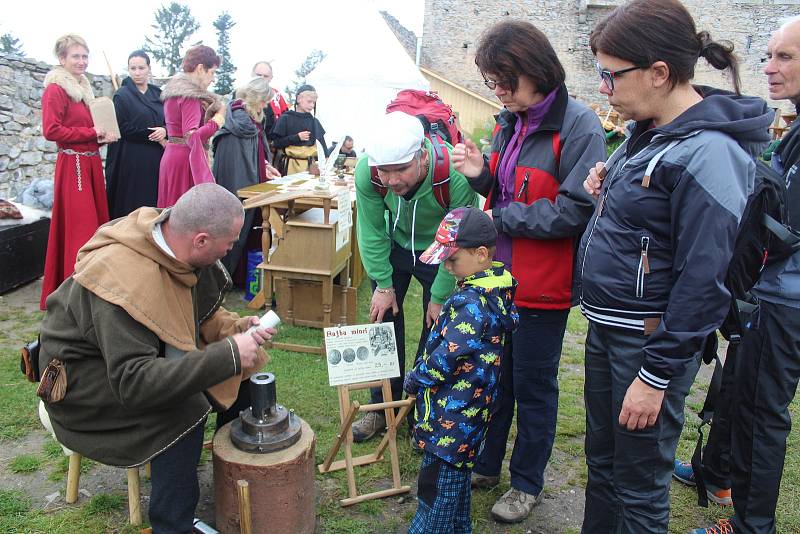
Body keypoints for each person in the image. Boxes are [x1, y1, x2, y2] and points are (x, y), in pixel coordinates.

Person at [578, 1, 773, 532]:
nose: (603, 88)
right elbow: (655, 228)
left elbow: (703, 281)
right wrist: (610, 187)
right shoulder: (651, 131)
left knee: (640, 486)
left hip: (646, 344)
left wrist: (655, 375)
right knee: (604, 467)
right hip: (610, 326)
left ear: (659, 73)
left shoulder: (711, 151)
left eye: (609, 74)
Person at [38, 183, 274, 533]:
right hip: (83, 389)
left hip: (127, 364)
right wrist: (226, 354)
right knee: (185, 406)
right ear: (201, 240)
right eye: (230, 241)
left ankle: (236, 480)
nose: (231, 249)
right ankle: (172, 524)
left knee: (241, 372)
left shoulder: (171, 244)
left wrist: (235, 329)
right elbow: (134, 383)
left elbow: (194, 313)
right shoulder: (121, 280)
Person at [451, 20, 606, 523]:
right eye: (492, 81)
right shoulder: (507, 121)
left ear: (536, 72)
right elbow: (510, 188)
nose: (498, 90)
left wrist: (501, 217)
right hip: (500, 280)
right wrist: (483, 175)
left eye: (504, 80)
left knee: (535, 388)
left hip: (544, 286)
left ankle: (526, 484)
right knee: (495, 379)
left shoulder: (579, 125)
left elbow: (574, 209)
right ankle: (489, 463)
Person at [689, 15, 800, 534]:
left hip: (785, 302)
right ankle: (717, 474)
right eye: (769, 55)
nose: (770, 68)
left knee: (762, 413)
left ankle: (751, 526)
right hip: (767, 295)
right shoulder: (796, 126)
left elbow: (783, 230)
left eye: (785, 57)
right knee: (735, 392)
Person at [351, 111, 478, 442]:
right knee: (383, 325)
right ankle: (382, 410)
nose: (391, 180)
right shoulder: (367, 172)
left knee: (435, 331)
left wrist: (439, 297)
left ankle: (421, 412)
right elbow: (371, 229)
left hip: (439, 251)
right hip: (395, 243)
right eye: (385, 170)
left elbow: (456, 240)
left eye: (401, 169)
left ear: (422, 156)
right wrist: (382, 283)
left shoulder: (455, 176)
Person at [404, 207, 519, 534]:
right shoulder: (495, 291)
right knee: (454, 490)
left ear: (481, 254)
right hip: (470, 418)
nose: (446, 265)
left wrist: (415, 378)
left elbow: (444, 360)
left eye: (452, 259)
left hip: (451, 424)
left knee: (435, 496)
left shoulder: (472, 302)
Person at [40, 34, 118, 310]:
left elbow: (85, 129)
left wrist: (99, 137)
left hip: (91, 163)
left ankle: (94, 284)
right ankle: (74, 290)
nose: (82, 61)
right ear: (62, 59)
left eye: (85, 56)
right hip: (73, 165)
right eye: (76, 56)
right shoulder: (56, 89)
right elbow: (51, 130)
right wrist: (90, 132)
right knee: (79, 228)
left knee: (95, 225)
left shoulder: (83, 90)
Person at [212, 77, 280, 282]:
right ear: (255, 98)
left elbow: (254, 153)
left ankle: (241, 277)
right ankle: (224, 277)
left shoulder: (248, 121)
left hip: (249, 179)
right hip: (236, 184)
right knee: (235, 226)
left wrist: (264, 166)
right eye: (264, 102)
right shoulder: (240, 122)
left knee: (249, 226)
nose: (265, 106)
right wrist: (258, 171)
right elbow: (238, 160)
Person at [157, 45, 225, 208]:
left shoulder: (174, 92)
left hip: (172, 157)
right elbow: (191, 137)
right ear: (201, 68)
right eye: (212, 72)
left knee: (171, 212)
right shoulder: (190, 96)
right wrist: (218, 119)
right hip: (185, 161)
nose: (213, 78)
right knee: (186, 217)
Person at [105, 50, 166, 219]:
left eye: (141, 68)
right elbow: (122, 128)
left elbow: (168, 120)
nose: (137, 73)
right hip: (131, 159)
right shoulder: (122, 95)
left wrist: (165, 130)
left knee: (154, 202)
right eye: (133, 68)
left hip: (156, 159)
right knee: (133, 203)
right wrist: (152, 134)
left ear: (149, 69)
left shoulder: (158, 94)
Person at [268, 84, 327, 175]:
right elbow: (275, 144)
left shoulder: (314, 122)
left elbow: (323, 147)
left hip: (310, 167)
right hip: (289, 167)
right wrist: (296, 137)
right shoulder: (285, 118)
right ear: (299, 99)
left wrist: (326, 162)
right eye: (309, 101)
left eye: (314, 102)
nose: (312, 105)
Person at [251, 60, 289, 135]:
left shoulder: (277, 96)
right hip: (248, 139)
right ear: (252, 74)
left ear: (271, 78)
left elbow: (286, 118)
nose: (262, 78)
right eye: (258, 75)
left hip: (270, 142)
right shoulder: (241, 93)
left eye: (265, 76)